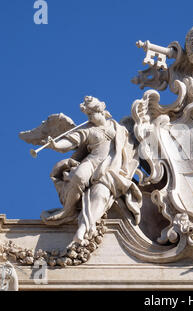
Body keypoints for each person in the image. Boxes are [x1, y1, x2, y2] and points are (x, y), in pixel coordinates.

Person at [41, 96, 142, 245]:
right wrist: (56, 145)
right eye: (87, 115)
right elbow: (70, 141)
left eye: (91, 113)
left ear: (100, 111)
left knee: (100, 193)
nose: (89, 117)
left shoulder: (117, 128)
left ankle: (84, 228)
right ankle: (68, 210)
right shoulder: (88, 130)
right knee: (79, 177)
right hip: (92, 161)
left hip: (109, 167)